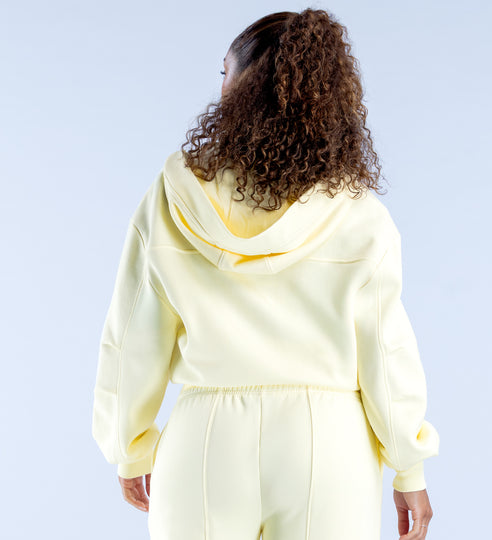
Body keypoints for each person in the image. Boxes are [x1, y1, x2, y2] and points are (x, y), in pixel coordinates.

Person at [91, 8, 440, 540]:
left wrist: (129, 445)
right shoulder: (359, 213)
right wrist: (408, 465)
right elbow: (386, 351)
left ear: (245, 85)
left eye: (224, 72)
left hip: (205, 439)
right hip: (328, 444)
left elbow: (132, 334)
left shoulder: (173, 197)